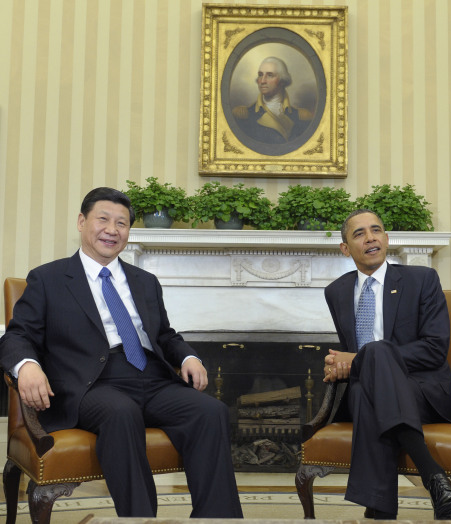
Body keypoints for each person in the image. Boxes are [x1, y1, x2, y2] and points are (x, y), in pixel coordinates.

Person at [0, 187, 243, 519]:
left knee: (210, 411)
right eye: (103, 220)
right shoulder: (48, 278)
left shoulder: (145, 281)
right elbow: (18, 335)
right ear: (82, 222)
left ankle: (216, 518)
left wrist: (188, 357)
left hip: (153, 378)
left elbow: (164, 336)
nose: (112, 230)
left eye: (122, 223)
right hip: (92, 384)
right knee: (121, 412)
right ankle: (140, 517)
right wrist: (26, 366)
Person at [323, 209, 451, 520]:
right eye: (359, 234)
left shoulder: (421, 280)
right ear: (345, 248)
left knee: (378, 352)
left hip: (423, 391)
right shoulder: (336, 291)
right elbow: (353, 358)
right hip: (367, 391)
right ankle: (436, 480)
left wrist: (361, 359)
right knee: (373, 366)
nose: (370, 238)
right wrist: (338, 364)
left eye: (376, 230)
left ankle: (380, 508)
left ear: (386, 238)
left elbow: (435, 350)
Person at [232, 56, 313, 144]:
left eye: (270, 75)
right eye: (260, 75)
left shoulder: (302, 117)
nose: (262, 81)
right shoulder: (243, 115)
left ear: (282, 80)